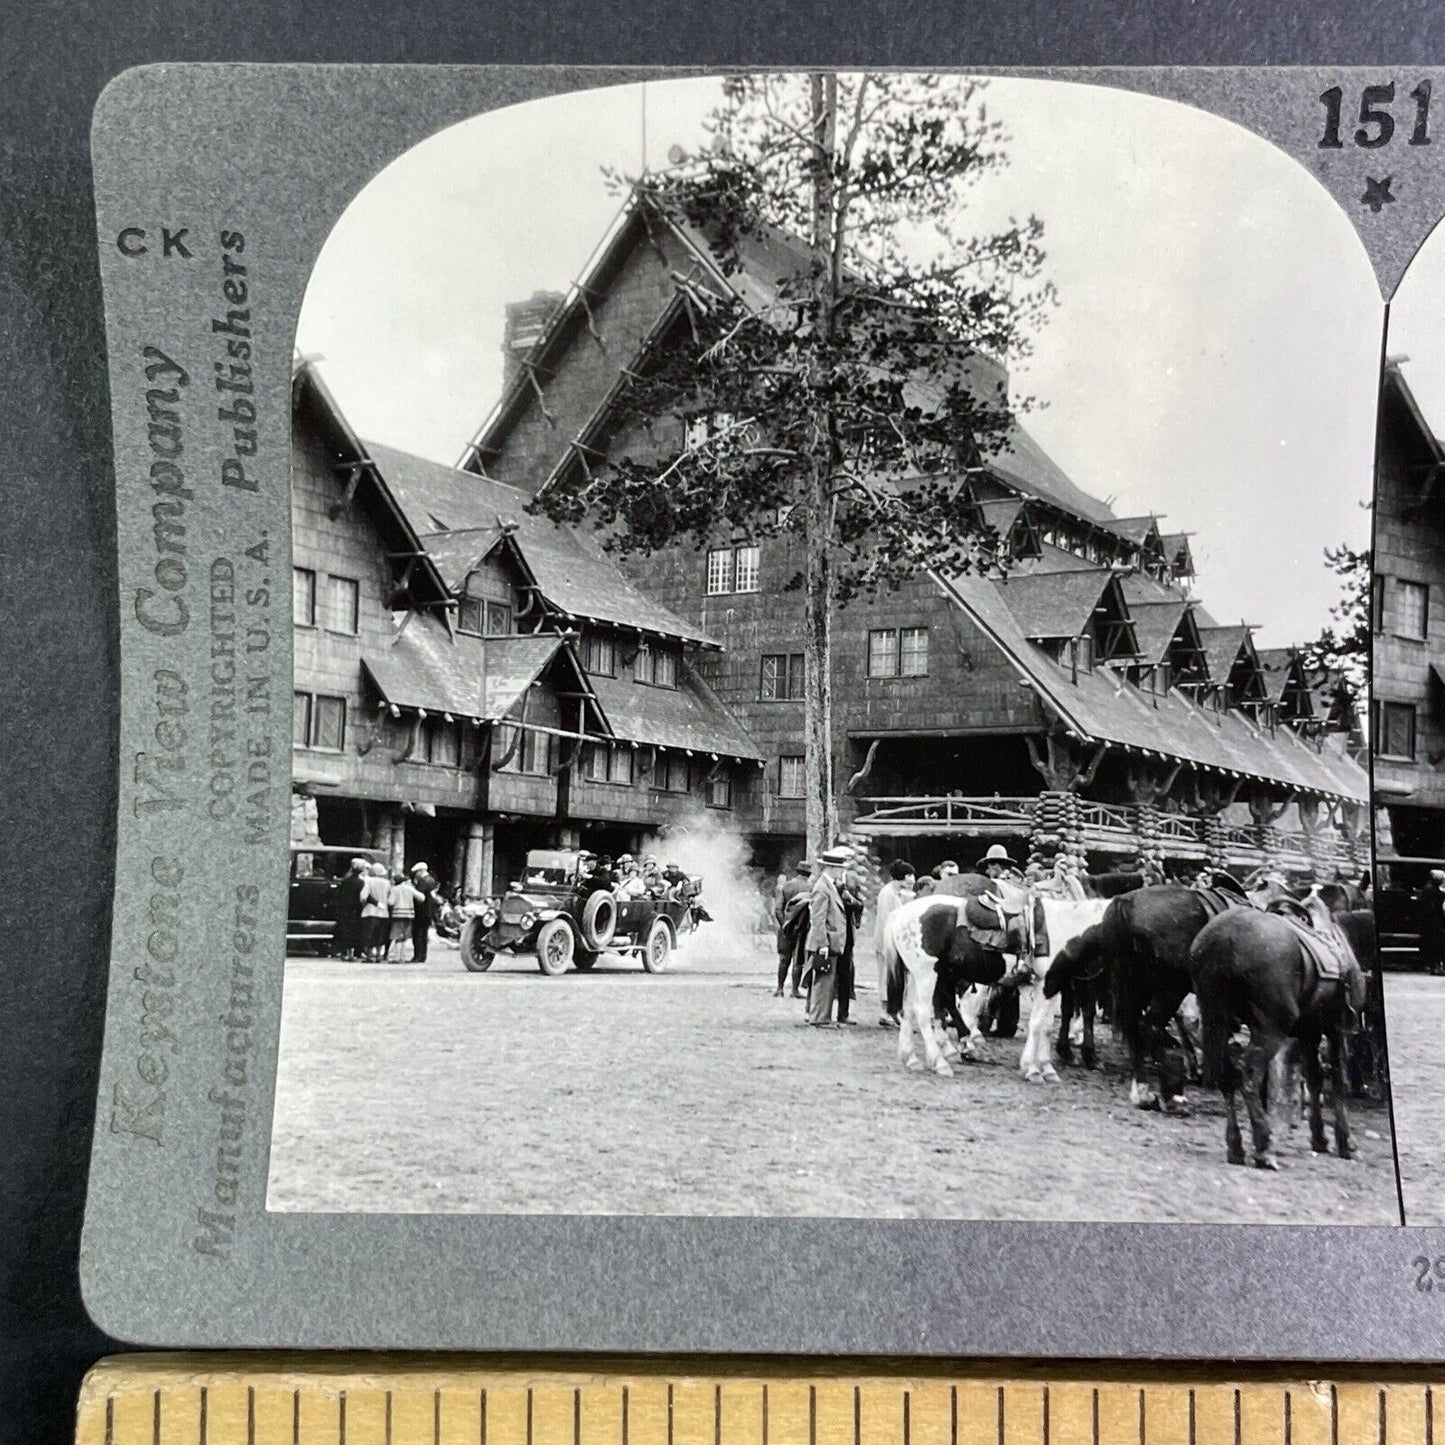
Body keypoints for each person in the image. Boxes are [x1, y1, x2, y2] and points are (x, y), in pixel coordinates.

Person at [804, 847, 851, 1027]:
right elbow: (818, 919)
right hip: (826, 942)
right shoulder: (822, 888)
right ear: (832, 868)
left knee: (828, 980)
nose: (842, 872)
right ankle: (820, 1018)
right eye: (840, 868)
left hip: (831, 941)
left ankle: (822, 1017)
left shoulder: (828, 885)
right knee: (823, 981)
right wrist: (822, 944)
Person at [873, 860, 916, 1025]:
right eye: (908, 876)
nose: (911, 879)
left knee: (897, 979)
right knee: (886, 978)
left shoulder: (899, 893)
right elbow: (886, 921)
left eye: (912, 875)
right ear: (899, 877)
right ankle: (884, 1013)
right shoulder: (887, 893)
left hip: (897, 944)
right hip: (886, 943)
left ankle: (895, 1011)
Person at [774, 859, 812, 997]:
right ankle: (795, 990)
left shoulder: (786, 886)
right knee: (798, 961)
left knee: (784, 959)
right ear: (808, 874)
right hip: (803, 929)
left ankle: (779, 989)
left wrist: (785, 925)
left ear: (797, 872)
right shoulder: (811, 888)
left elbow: (778, 909)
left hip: (785, 929)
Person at [333, 857, 368, 960]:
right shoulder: (361, 882)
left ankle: (345, 952)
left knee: (345, 930)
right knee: (355, 930)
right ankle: (355, 951)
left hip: (344, 908)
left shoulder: (346, 880)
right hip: (356, 909)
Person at [386, 868, 419, 963]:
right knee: (405, 936)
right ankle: (403, 957)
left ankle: (396, 957)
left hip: (397, 914)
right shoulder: (409, 888)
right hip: (409, 914)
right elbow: (421, 897)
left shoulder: (394, 889)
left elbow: (391, 902)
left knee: (397, 936)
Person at [360, 862, 391, 961]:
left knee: (370, 934)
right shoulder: (387, 883)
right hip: (384, 912)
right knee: (380, 935)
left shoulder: (369, 882)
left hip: (370, 911)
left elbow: (363, 896)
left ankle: (369, 956)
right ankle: (378, 955)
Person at [409, 860, 438, 964]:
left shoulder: (423, 881)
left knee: (417, 934)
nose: (416, 875)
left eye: (417, 872)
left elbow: (420, 897)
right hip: (429, 911)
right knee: (424, 934)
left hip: (421, 911)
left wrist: (411, 889)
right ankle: (423, 956)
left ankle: (417, 956)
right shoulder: (432, 880)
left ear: (420, 871)